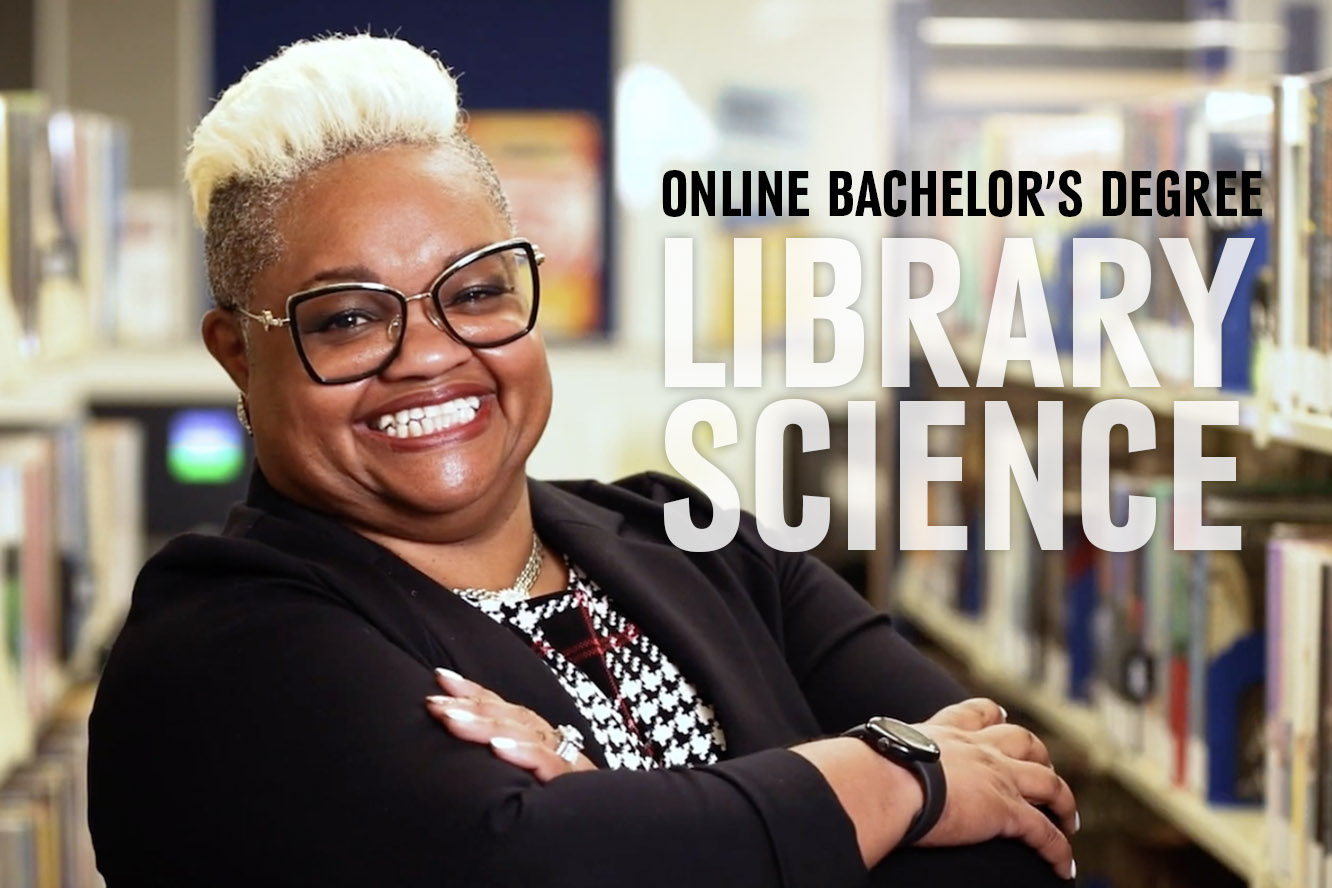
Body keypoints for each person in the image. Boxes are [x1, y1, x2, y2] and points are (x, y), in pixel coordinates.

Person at [87, 34, 1078, 888]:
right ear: (236, 356)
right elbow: (532, 871)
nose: (430, 353)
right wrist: (893, 776)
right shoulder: (218, 650)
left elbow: (1021, 835)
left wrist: (640, 827)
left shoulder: (697, 544)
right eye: (348, 318)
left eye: (474, 292)